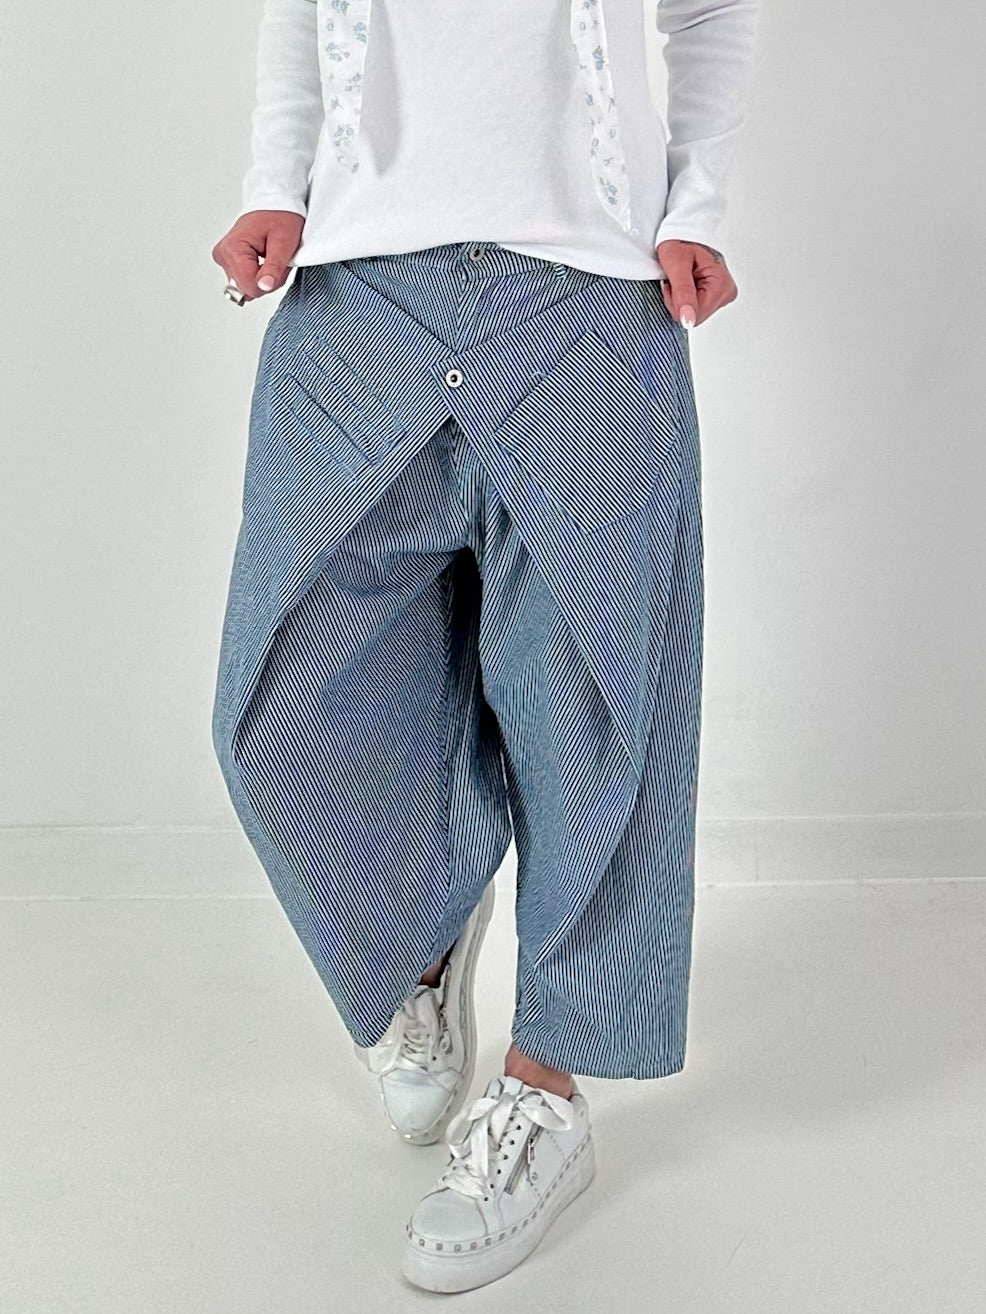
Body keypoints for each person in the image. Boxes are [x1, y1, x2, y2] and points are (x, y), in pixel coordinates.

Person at [209, 0, 759, 1293]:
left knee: (593, 705)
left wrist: (698, 200)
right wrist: (273, 181)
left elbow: (710, 8)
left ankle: (543, 1090)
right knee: (278, 697)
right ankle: (423, 936)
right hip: (359, 281)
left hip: (589, 288)